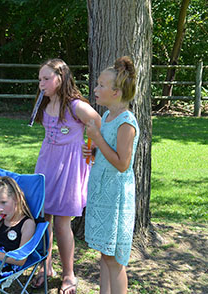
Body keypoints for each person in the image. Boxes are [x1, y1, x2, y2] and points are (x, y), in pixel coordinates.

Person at [31, 59, 101, 294]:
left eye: (46, 79)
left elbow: (97, 122)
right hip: (46, 164)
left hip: (69, 167)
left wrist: (92, 148)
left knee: (62, 223)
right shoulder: (46, 102)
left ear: (60, 78)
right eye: (40, 79)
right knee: (43, 219)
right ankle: (46, 265)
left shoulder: (75, 105)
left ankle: (69, 274)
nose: (41, 84)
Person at [84, 56, 139, 294]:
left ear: (116, 92)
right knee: (104, 255)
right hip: (103, 193)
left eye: (101, 85)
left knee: (114, 260)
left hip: (116, 198)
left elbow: (123, 164)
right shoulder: (107, 117)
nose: (95, 89)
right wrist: (95, 150)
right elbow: (109, 153)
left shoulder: (127, 122)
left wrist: (97, 139)